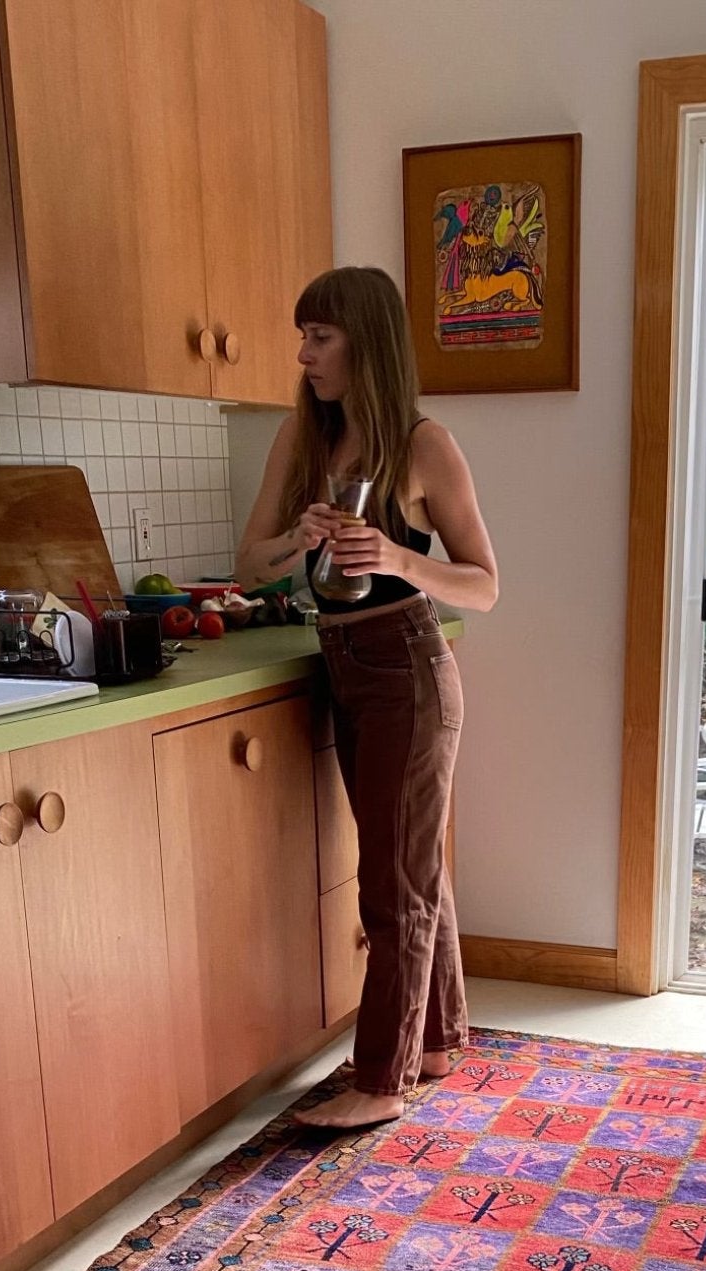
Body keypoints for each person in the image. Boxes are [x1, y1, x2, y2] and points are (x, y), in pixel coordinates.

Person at [235, 266, 499, 1129]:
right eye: (303, 334)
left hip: (408, 667)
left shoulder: (424, 444)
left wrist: (397, 558)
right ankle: (436, 1037)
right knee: (411, 864)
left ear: (367, 343)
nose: (303, 353)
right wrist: (294, 541)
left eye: (321, 336)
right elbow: (250, 563)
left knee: (392, 881)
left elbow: (485, 585)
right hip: (342, 661)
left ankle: (381, 1081)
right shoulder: (300, 439)